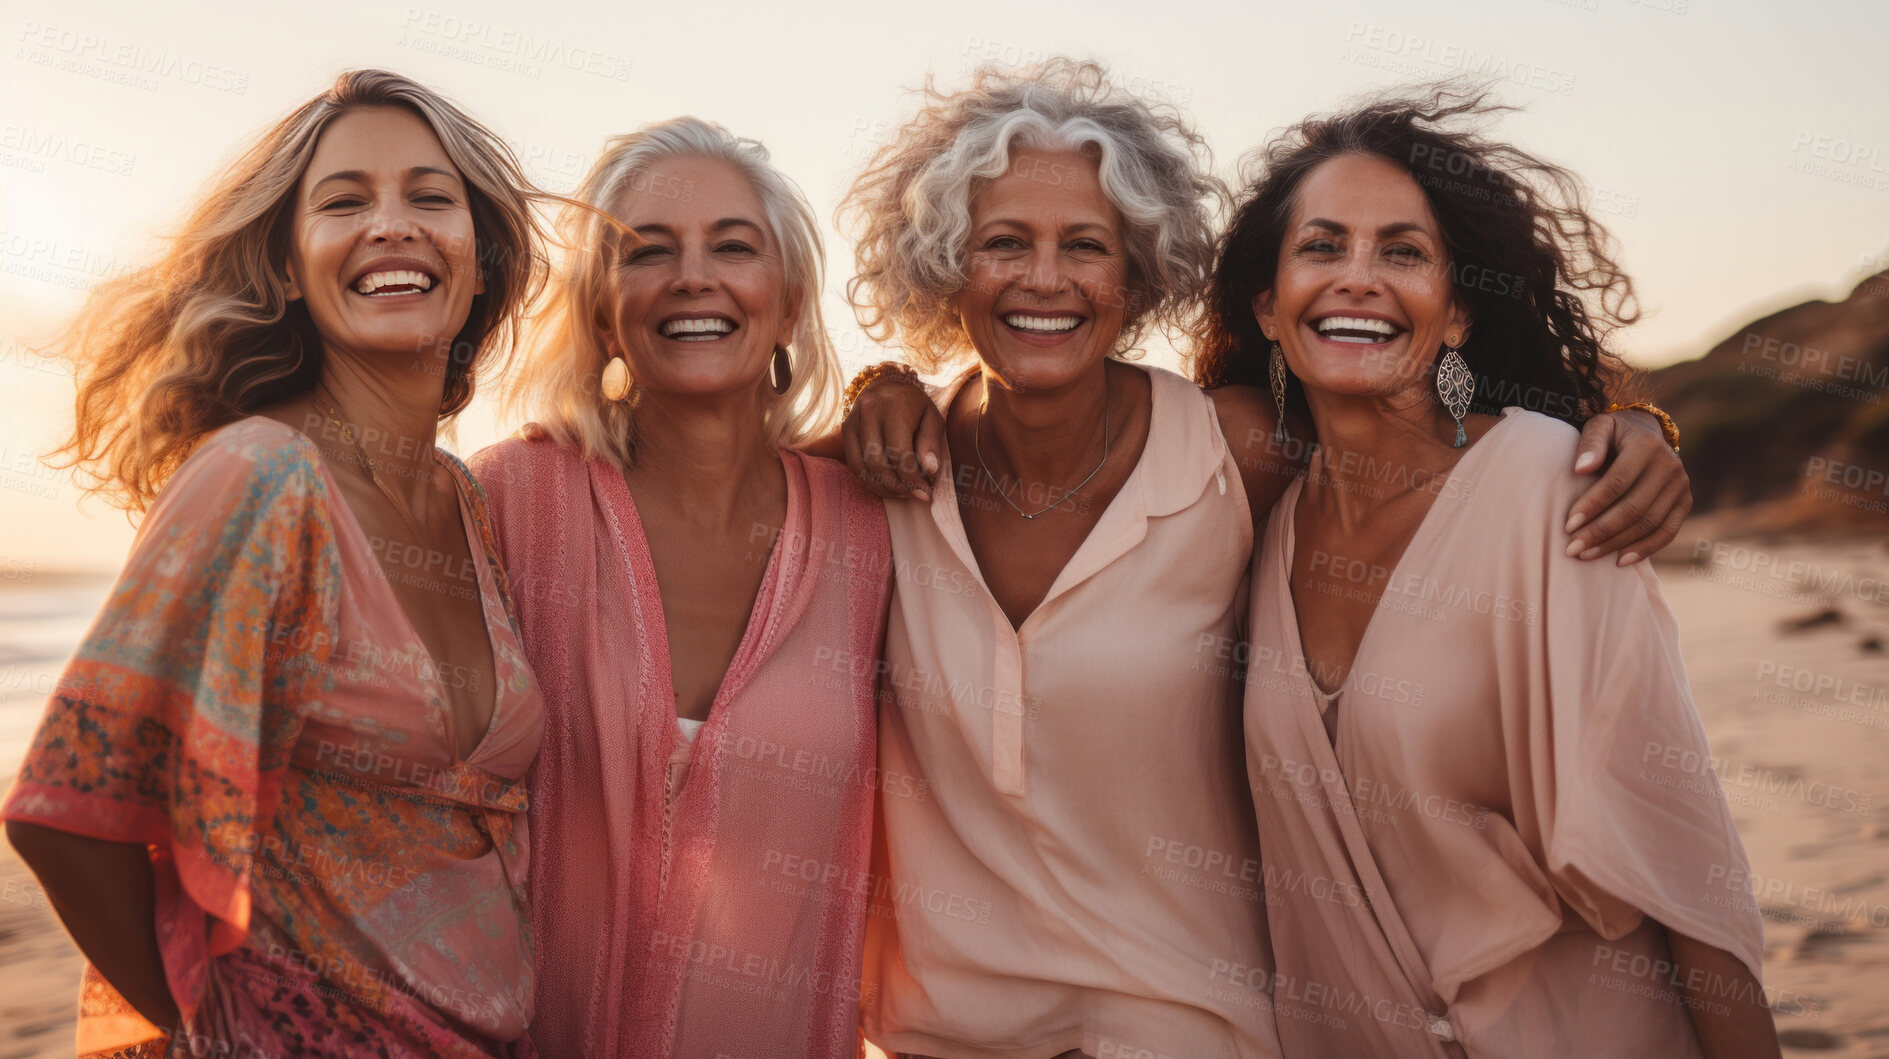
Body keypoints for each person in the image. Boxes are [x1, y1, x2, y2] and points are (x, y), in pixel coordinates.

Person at [837, 62, 1693, 1058]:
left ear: (1136, 272)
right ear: (945, 265)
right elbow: (716, 476)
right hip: (947, 1034)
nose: (1044, 278)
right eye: (1001, 244)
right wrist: (879, 374)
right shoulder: (886, 467)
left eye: (1085, 246)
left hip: (1199, 1026)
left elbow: (1428, 442)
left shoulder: (1229, 449)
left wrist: (1626, 428)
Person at [1211, 90, 1775, 1056]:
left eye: (1401, 252)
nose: (1358, 279)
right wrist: (886, 391)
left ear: (1458, 310)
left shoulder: (1552, 490)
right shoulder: (1255, 520)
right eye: (1321, 247)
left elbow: (1684, 863)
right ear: (1268, 304)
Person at [2, 69, 548, 1058]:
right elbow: (63, 815)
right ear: (290, 268)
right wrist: (226, 1034)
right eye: (344, 201)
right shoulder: (260, 477)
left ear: (481, 260)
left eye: (431, 197)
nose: (391, 225)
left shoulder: (468, 500)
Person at [470, 117, 892, 1059]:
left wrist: (897, 382)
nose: (691, 276)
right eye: (646, 253)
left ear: (786, 304)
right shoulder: (512, 498)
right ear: (600, 311)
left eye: (732, 247)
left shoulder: (876, 529)